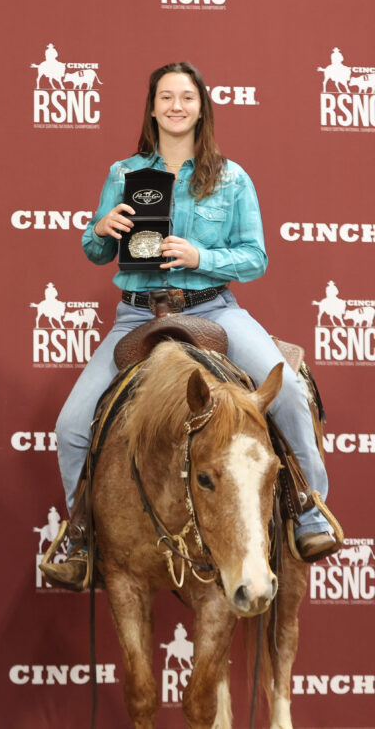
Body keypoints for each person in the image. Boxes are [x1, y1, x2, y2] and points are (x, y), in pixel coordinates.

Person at [43, 62, 340, 590]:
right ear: (152, 107)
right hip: (138, 313)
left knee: (288, 391)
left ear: (202, 107)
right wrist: (101, 229)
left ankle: (309, 508)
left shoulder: (231, 177)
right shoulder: (124, 173)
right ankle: (81, 534)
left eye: (186, 97)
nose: (176, 105)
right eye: (166, 97)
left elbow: (255, 258)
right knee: (70, 425)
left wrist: (200, 254)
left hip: (213, 310)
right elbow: (94, 252)